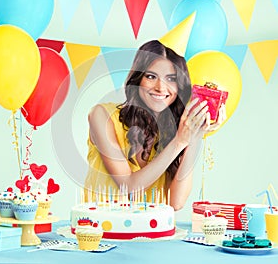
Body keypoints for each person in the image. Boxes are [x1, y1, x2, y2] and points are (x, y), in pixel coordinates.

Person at [84, 40, 226, 210]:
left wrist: (194, 136)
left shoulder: (173, 131)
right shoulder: (101, 116)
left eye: (171, 79)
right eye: (151, 76)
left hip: (151, 234)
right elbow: (127, 188)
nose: (161, 87)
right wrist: (179, 142)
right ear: (137, 79)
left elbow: (176, 202)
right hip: (101, 232)